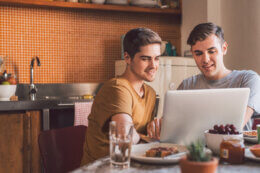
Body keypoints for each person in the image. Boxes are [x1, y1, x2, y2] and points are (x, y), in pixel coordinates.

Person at [81, 28, 162, 165]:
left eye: (156, 58)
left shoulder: (150, 93)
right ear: (127, 58)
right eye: (145, 59)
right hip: (103, 168)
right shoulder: (117, 87)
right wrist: (146, 138)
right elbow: (126, 136)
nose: (153, 65)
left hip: (131, 166)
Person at [177, 22, 260, 130]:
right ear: (193, 54)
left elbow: (234, 128)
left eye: (211, 51)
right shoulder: (186, 85)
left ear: (224, 48)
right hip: (195, 147)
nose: (205, 60)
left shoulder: (248, 79)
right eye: (198, 53)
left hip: (235, 146)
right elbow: (170, 125)